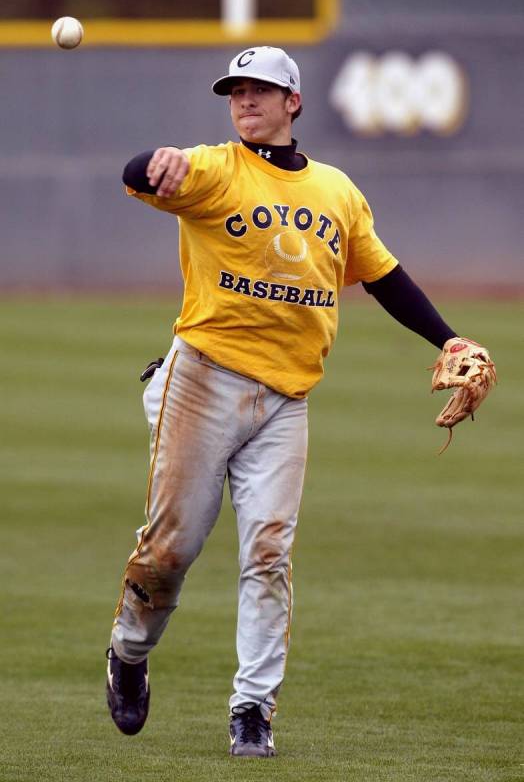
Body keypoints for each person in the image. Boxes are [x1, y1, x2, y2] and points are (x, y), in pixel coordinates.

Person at [105, 45, 470, 757]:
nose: (245, 100)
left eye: (260, 90)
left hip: (285, 401)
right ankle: (128, 655)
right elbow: (140, 173)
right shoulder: (214, 169)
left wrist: (448, 340)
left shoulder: (336, 191)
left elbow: (384, 277)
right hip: (204, 381)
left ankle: (253, 710)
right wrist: (158, 162)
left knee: (269, 555)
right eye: (235, 90)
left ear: (293, 102)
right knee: (169, 555)